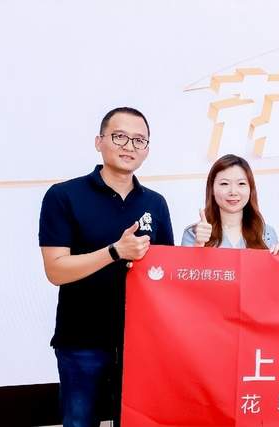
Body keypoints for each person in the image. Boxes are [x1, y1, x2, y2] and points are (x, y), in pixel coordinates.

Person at [38, 107, 174, 427]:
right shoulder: (64, 196)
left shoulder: (155, 202)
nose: (129, 146)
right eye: (120, 137)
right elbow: (55, 270)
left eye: (139, 140)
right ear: (99, 142)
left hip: (139, 341)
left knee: (135, 421)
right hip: (82, 339)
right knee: (79, 421)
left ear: (147, 150)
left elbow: (165, 271)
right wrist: (114, 252)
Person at [181, 154, 279, 254]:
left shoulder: (266, 233)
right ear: (212, 189)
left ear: (250, 189)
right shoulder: (194, 233)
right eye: (224, 183)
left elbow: (271, 268)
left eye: (241, 183)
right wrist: (198, 245)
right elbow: (185, 268)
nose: (233, 192)